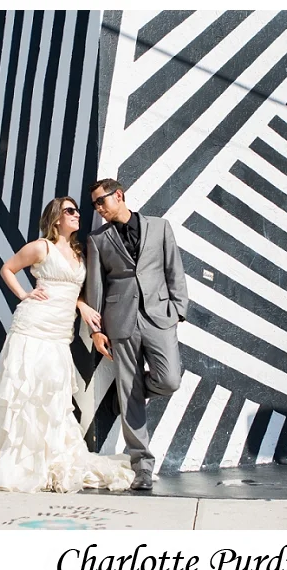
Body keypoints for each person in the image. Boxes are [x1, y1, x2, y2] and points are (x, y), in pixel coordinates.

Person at [0, 196, 134, 493]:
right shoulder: (41, 247)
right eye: (70, 211)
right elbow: (7, 268)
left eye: (77, 210)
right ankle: (19, 464)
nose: (77, 214)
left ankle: (49, 458)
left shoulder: (79, 252)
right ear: (56, 217)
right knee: (26, 391)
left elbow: (73, 289)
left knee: (53, 395)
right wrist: (23, 294)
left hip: (59, 331)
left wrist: (82, 305)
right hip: (32, 326)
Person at [85, 179, 189, 491]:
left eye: (101, 201)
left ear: (118, 195)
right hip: (120, 320)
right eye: (94, 205)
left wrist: (178, 310)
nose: (98, 209)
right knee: (129, 389)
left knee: (170, 380)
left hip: (159, 316)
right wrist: (96, 331)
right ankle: (141, 465)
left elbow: (174, 269)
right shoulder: (97, 239)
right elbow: (96, 285)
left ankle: (126, 396)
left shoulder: (160, 227)